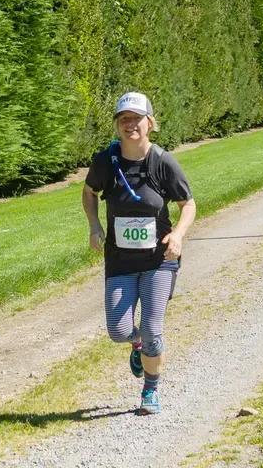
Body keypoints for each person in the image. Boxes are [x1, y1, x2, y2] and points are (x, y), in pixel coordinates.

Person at [82, 92, 196, 415]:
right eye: (124, 119)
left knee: (151, 327)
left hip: (159, 260)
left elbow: (188, 205)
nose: (130, 125)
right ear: (118, 125)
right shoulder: (106, 161)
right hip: (119, 259)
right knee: (118, 330)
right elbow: (89, 192)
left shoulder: (162, 162)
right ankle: (137, 344)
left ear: (150, 123)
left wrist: (178, 234)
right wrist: (93, 224)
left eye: (137, 119)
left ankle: (150, 388)